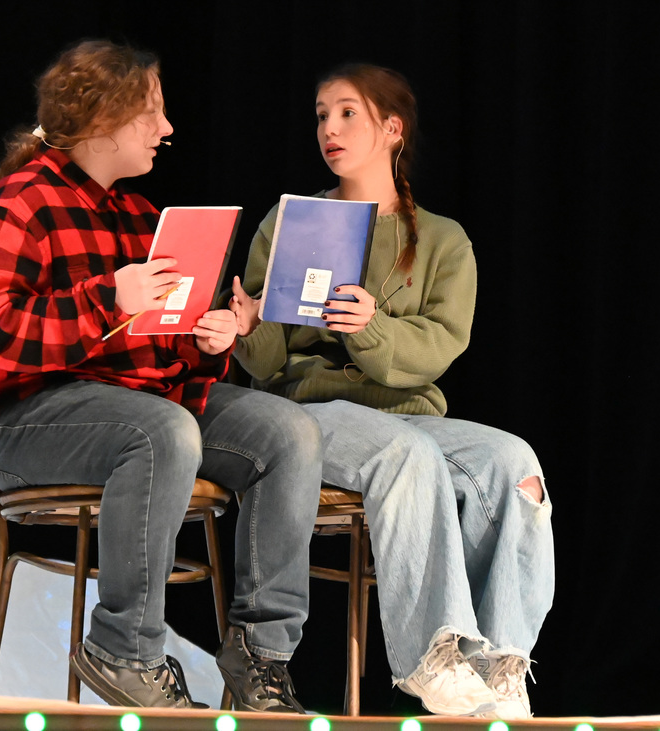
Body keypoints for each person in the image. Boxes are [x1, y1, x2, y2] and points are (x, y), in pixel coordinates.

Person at [0, 39, 321, 712]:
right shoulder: (16, 206)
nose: (166, 128)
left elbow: (164, 350)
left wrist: (208, 337)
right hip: (27, 420)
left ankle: (261, 657)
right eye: (152, 112)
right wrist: (106, 298)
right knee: (161, 432)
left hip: (145, 405)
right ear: (103, 119)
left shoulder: (142, 218)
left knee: (287, 431)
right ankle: (124, 650)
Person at [229, 63, 554, 719]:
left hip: (407, 415)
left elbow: (439, 345)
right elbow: (267, 362)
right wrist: (249, 327)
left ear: (393, 128)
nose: (330, 128)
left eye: (348, 112)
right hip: (310, 415)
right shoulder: (294, 221)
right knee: (406, 453)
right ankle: (436, 654)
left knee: (515, 463)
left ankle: (499, 667)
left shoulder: (442, 239)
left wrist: (370, 327)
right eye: (322, 114)